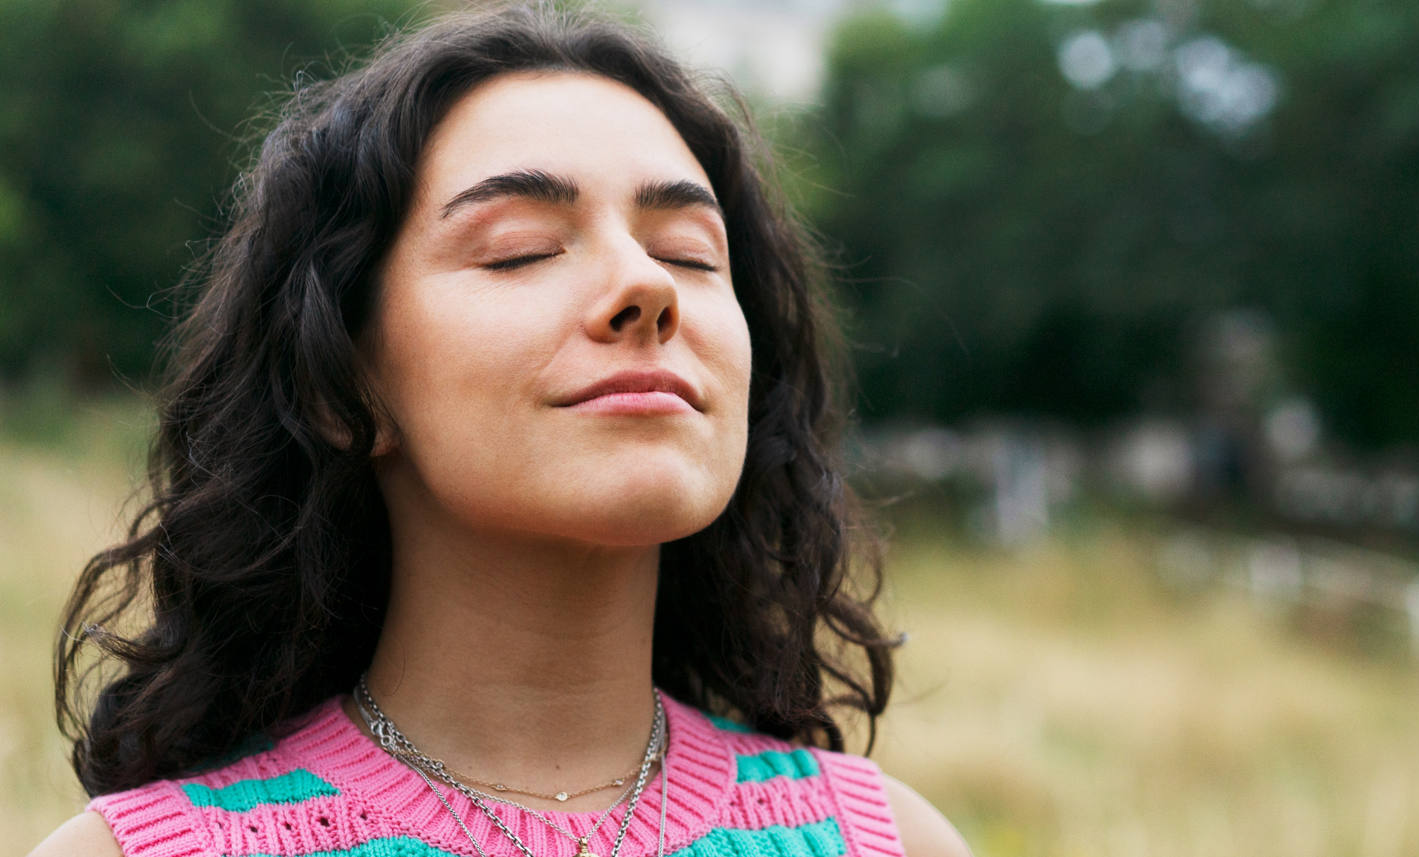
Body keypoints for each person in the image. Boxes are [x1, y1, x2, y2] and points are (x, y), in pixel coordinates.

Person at [28, 5, 968, 857]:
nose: (648, 287)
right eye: (520, 249)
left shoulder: (889, 841)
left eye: (689, 252)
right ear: (340, 385)